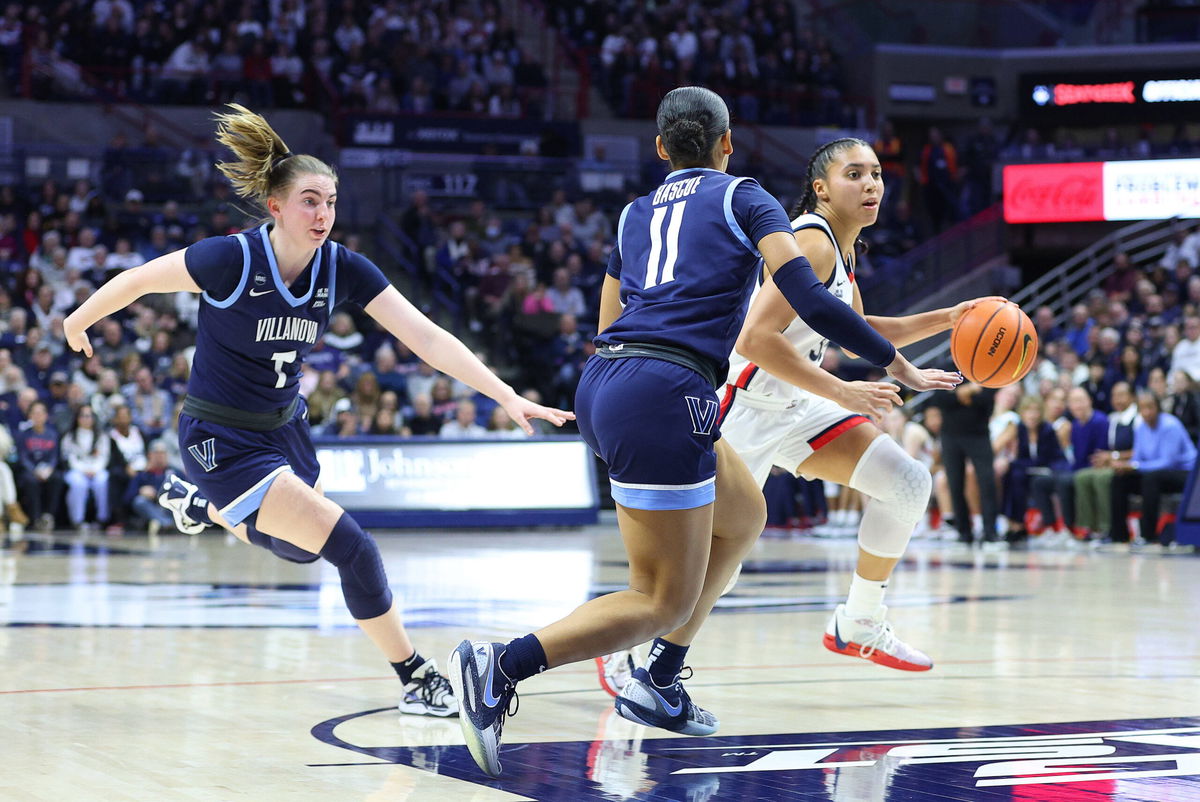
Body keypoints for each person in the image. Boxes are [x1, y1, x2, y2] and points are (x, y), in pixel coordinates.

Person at [446, 87, 958, 778]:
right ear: (727, 144)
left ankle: (662, 677)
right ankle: (501, 665)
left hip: (611, 381)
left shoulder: (634, 212)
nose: (869, 184)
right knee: (660, 600)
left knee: (745, 516)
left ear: (660, 149)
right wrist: (876, 367)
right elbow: (802, 299)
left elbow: (609, 307)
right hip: (675, 392)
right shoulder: (747, 197)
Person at [62, 104, 572, 721]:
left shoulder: (342, 268)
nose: (323, 214)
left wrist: (506, 395)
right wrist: (80, 318)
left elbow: (428, 338)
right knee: (354, 550)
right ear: (275, 206)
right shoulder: (230, 260)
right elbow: (140, 278)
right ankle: (415, 677)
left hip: (286, 429)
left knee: (303, 552)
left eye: (329, 201)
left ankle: (197, 506)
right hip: (220, 437)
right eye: (308, 200)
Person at [1109, 392, 1197, 545]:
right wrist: (1127, 467)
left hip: (1186, 474)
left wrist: (1135, 466)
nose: (1147, 412)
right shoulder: (1141, 428)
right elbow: (1138, 457)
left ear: (1158, 408)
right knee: (1119, 479)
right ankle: (1118, 535)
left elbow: (1167, 462)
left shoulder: (1170, 425)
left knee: (1152, 478)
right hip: (1156, 473)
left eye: (1150, 407)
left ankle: (1148, 535)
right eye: (1142, 408)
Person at [932, 383, 999, 545]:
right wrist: (966, 392)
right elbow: (940, 400)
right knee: (955, 484)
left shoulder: (986, 367)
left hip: (979, 435)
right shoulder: (947, 365)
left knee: (987, 482)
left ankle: (990, 533)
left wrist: (957, 395)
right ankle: (963, 533)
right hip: (950, 436)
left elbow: (987, 401)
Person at [61, 404, 111, 530]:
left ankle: (102, 518)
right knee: (78, 484)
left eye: (89, 416)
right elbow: (70, 458)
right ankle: (77, 520)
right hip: (76, 470)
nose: (86, 419)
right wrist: (83, 470)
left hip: (97, 469)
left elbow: (104, 457)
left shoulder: (101, 436)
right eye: (82, 416)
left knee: (102, 481)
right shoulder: (70, 436)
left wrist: (94, 470)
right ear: (77, 418)